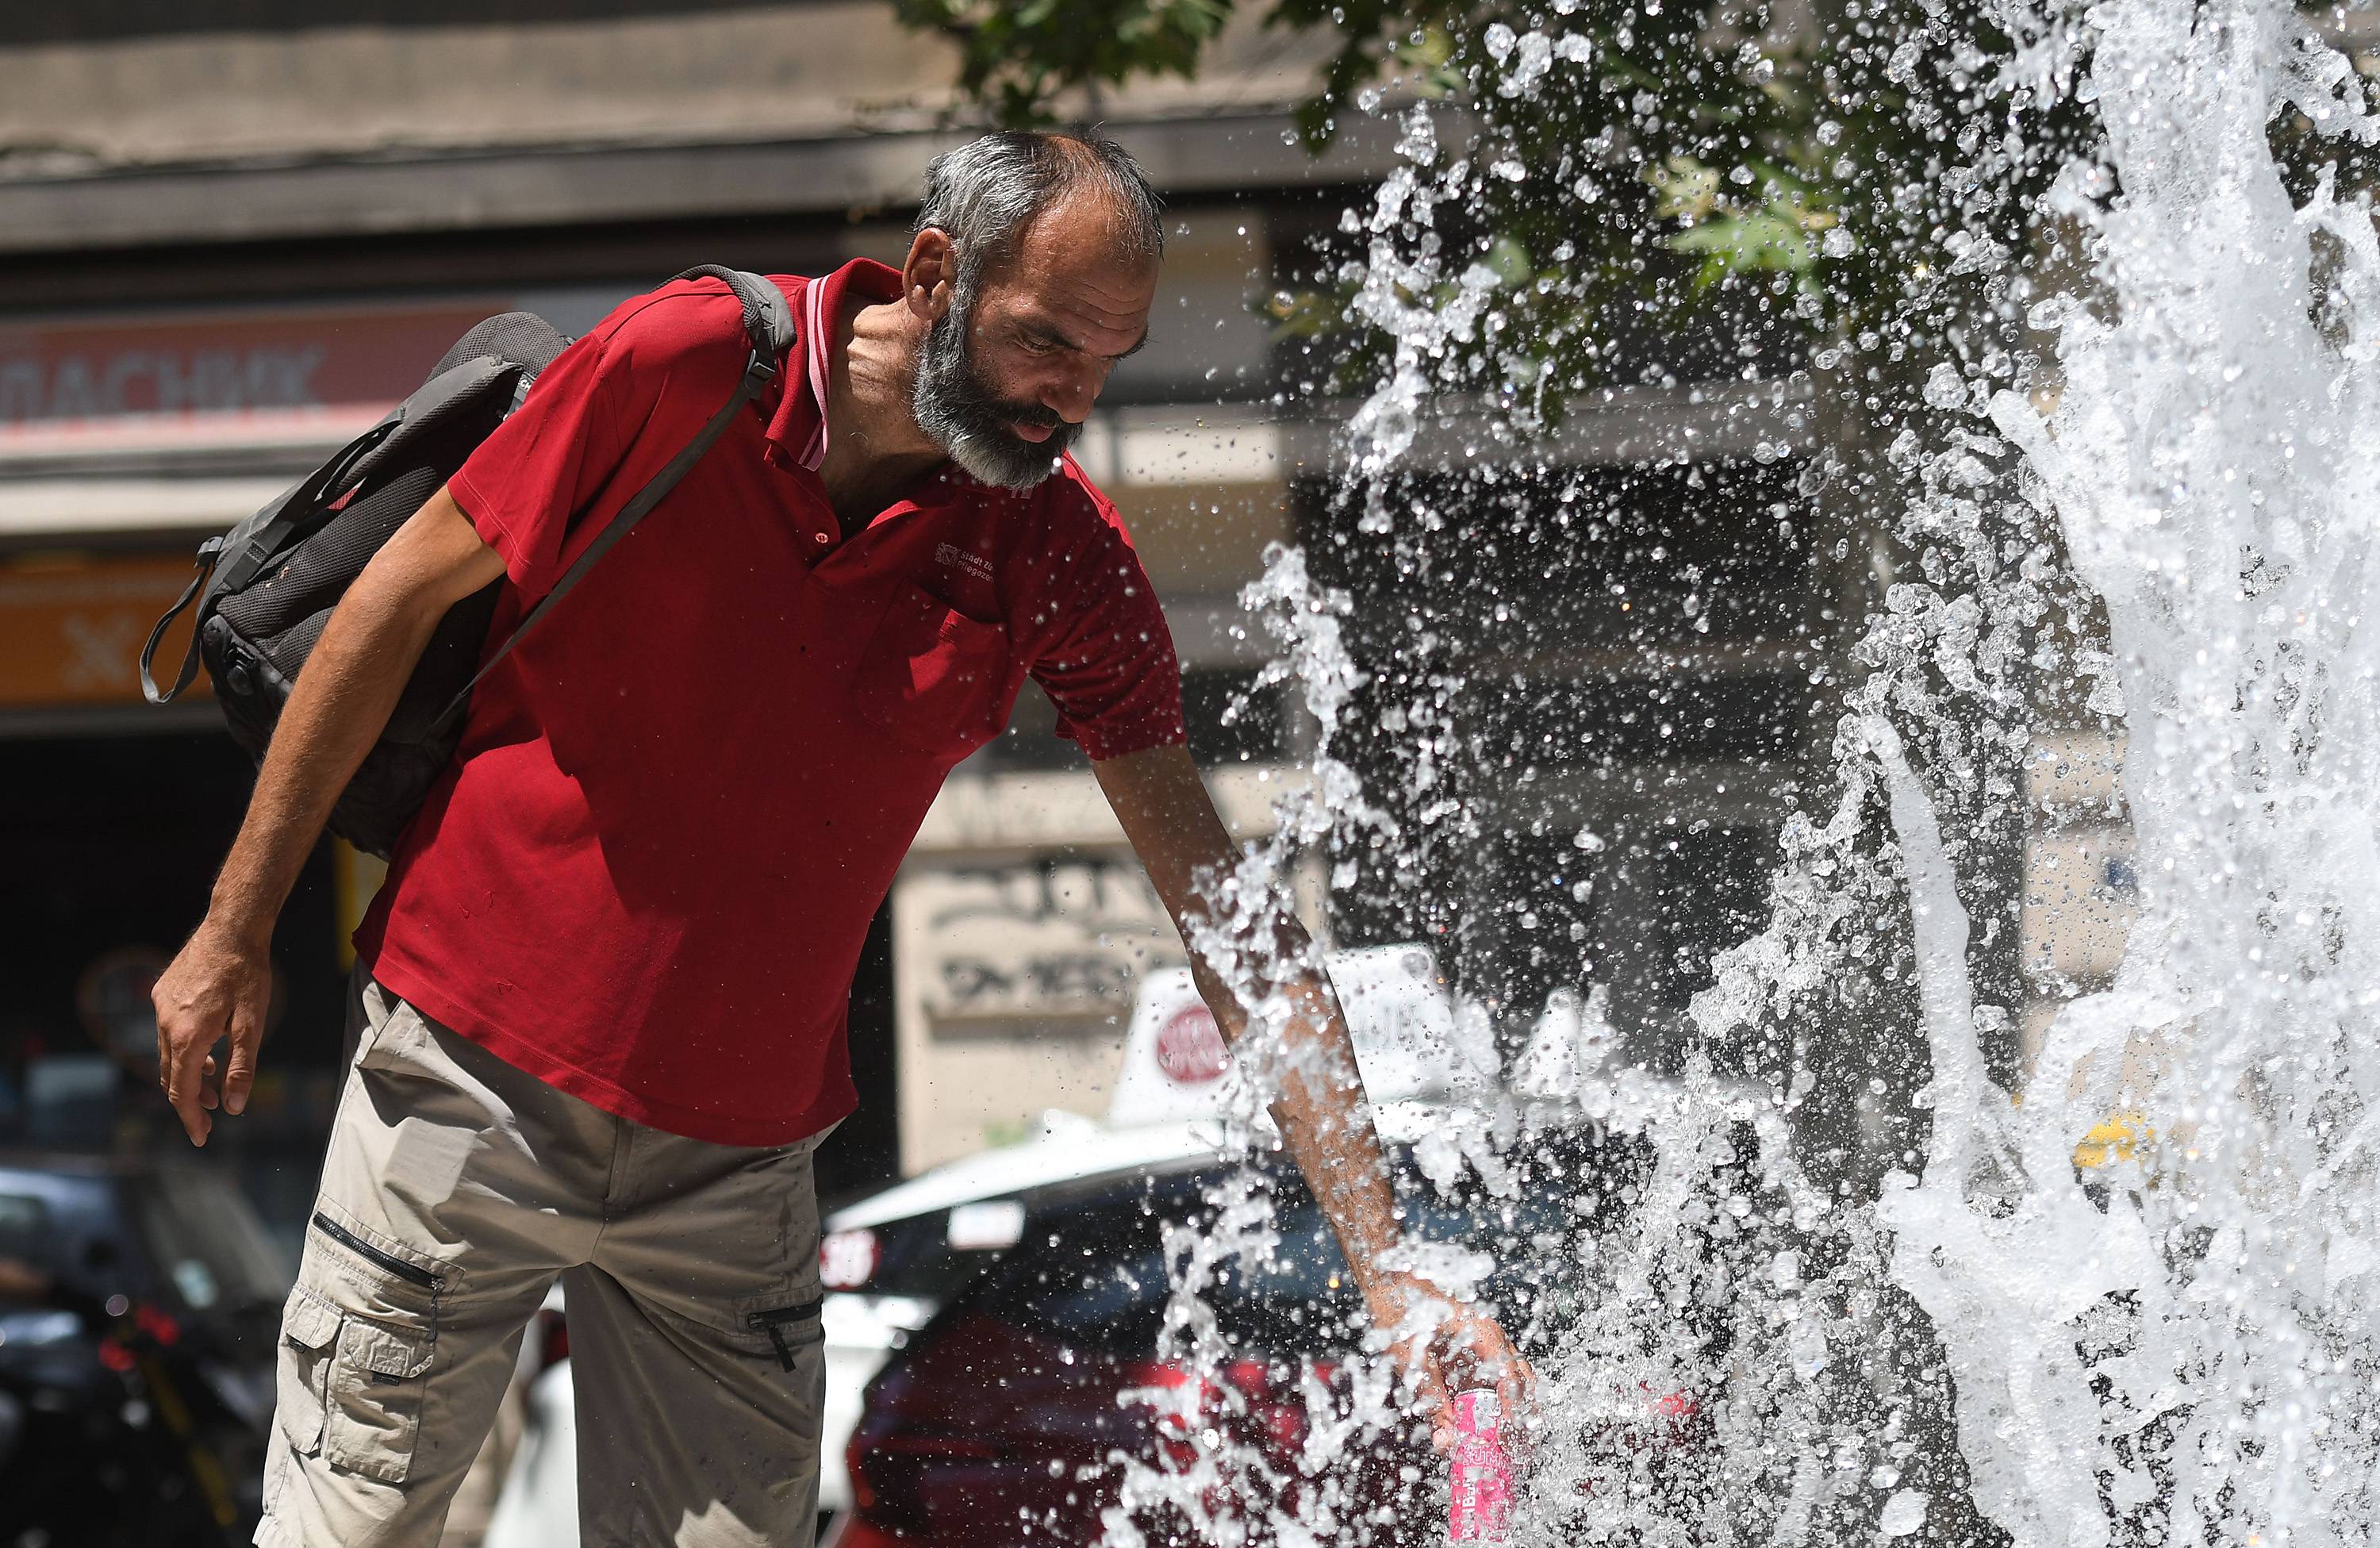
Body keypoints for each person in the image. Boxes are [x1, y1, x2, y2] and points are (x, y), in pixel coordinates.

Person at [151, 129, 1530, 1548]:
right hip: (464, 1086)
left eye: (1107, 360)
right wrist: (234, 929)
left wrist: (1391, 1272)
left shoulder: (1058, 552)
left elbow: (1230, 920)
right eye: (1045, 339)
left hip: (735, 1175)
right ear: (934, 274)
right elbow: (386, 607)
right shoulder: (688, 364)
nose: (1071, 396)